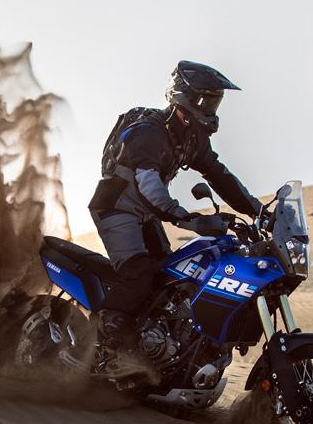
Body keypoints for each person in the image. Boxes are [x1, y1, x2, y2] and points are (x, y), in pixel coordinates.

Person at [87, 60, 262, 374]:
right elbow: (148, 184)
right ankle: (103, 348)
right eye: (206, 100)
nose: (211, 108)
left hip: (146, 215)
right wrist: (184, 217)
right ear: (185, 98)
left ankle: (153, 352)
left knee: (170, 278)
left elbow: (220, 176)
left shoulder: (192, 139)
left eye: (215, 102)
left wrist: (258, 210)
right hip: (116, 208)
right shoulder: (148, 131)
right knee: (139, 274)